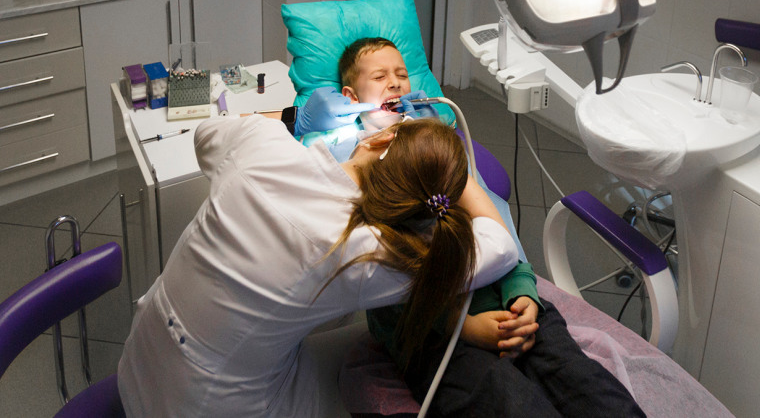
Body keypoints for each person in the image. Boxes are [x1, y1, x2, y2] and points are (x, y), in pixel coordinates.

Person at [322, 36, 646, 417]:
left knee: (586, 386)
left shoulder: (439, 148)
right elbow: (385, 284)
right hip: (435, 336)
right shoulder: (354, 172)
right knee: (508, 400)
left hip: (509, 306)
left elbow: (502, 243)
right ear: (350, 96)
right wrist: (465, 328)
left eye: (402, 74)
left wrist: (523, 296)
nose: (395, 83)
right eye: (380, 76)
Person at [117, 113, 518, 417]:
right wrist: (457, 177)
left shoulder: (262, 144)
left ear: (380, 138)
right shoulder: (369, 254)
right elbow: (500, 247)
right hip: (205, 407)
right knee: (361, 360)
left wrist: (266, 126)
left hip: (139, 365)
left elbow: (206, 135)